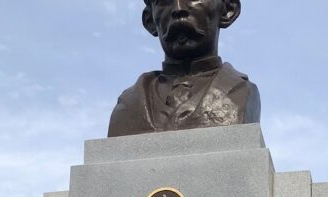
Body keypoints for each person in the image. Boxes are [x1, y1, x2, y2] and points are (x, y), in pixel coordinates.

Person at [108, 0, 261, 137]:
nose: (178, 8)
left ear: (228, 10)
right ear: (150, 21)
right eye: (164, 1)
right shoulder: (129, 104)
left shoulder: (241, 93)